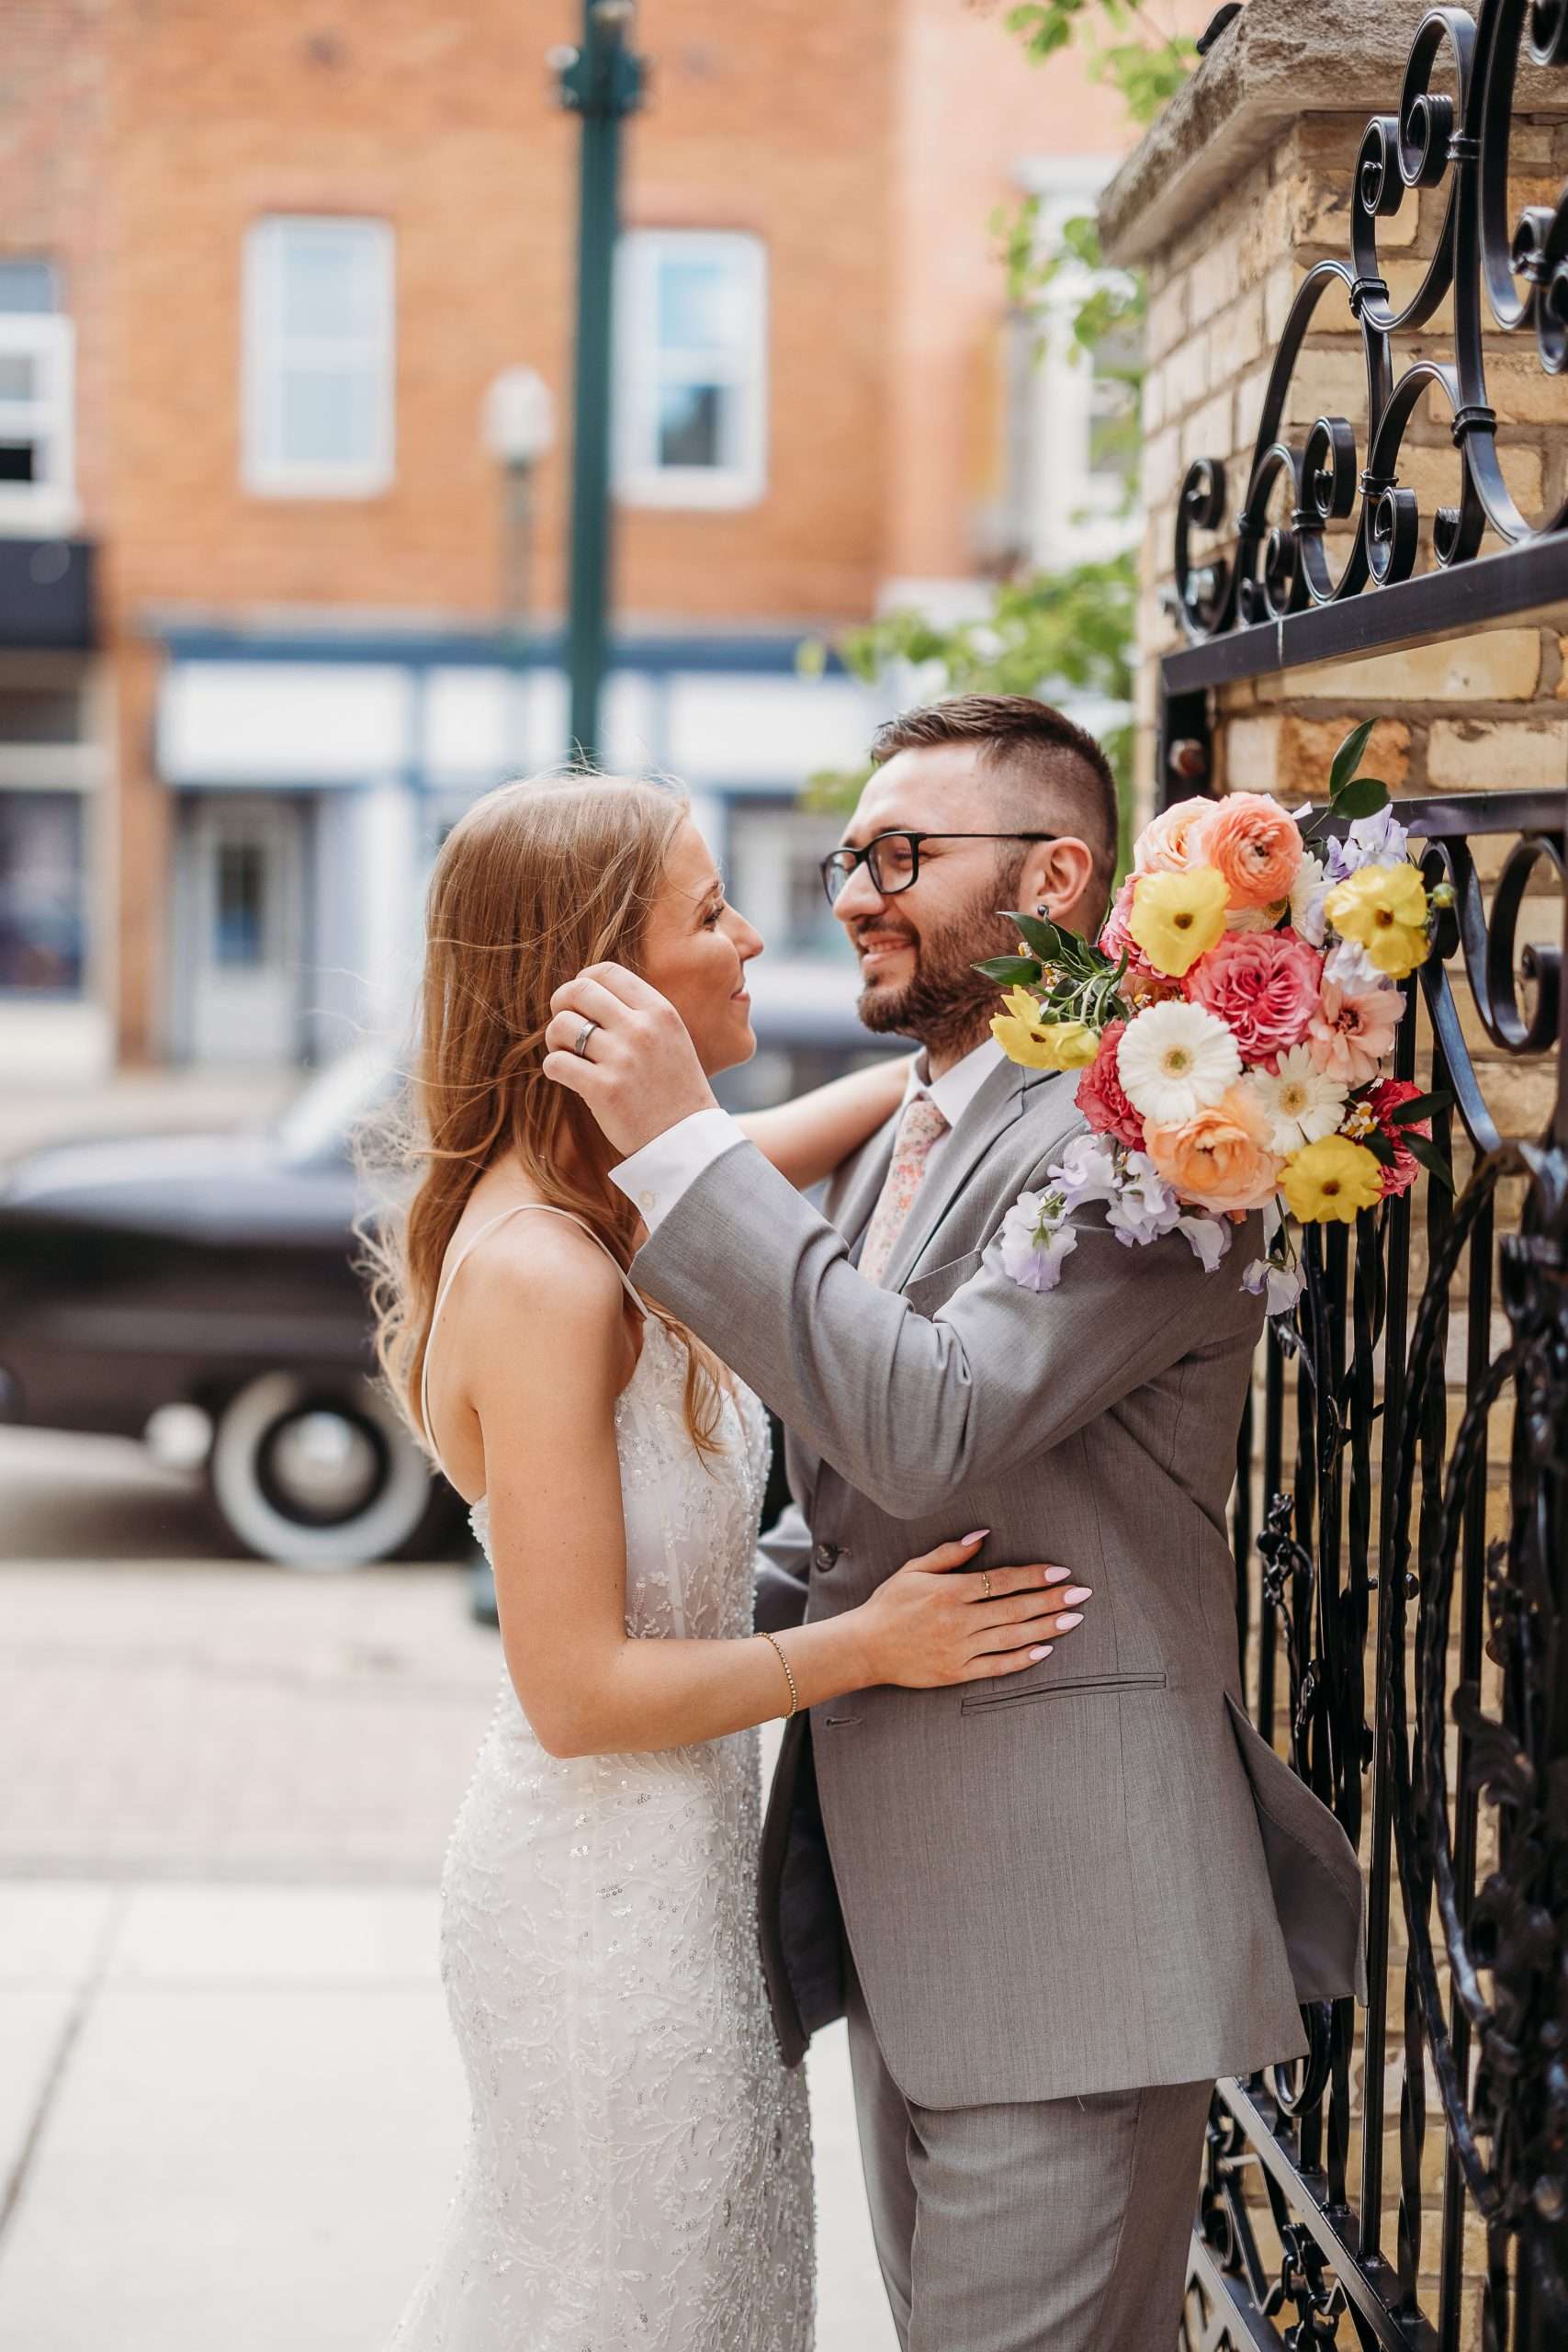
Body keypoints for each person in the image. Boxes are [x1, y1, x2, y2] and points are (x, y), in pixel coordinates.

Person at [545, 695, 1367, 2352]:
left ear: (1055, 876)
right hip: (910, 1939)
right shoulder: (911, 1130)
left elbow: (930, 1424)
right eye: (854, 851)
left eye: (901, 852)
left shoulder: (1154, 1141)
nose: (852, 887)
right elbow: (846, 1518)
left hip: (1072, 1942)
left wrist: (687, 1148)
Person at [367, 770, 1095, 2352]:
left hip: (695, 1895)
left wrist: (1029, 1041)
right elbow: (573, 1692)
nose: (758, 934)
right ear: (598, 984)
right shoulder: (550, 1274)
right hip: (598, 1911)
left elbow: (803, 1134)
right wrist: (871, 1645)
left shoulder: (614, 1204)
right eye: (710, 913)